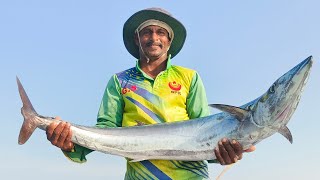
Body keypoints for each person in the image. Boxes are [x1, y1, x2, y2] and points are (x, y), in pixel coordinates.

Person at [46, 7, 255, 180]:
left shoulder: (190, 77)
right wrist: (71, 144)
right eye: (147, 32)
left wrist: (224, 154)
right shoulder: (120, 81)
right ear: (137, 39)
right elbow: (106, 131)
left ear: (169, 41)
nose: (153, 38)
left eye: (161, 32)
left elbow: (204, 130)